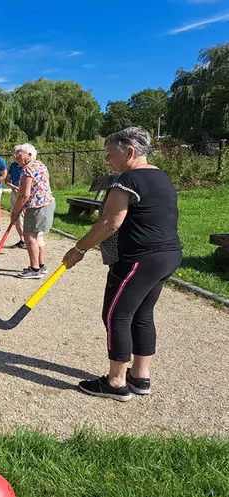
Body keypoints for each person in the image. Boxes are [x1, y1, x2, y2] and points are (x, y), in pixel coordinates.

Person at [63, 127, 182, 402]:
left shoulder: (127, 179)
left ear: (129, 152)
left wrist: (79, 248)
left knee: (116, 315)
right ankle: (140, 377)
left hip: (138, 259)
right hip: (167, 255)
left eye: (110, 153)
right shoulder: (161, 176)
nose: (107, 160)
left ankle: (115, 382)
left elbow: (110, 222)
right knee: (142, 314)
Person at [10, 143, 55, 278]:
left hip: (37, 206)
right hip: (46, 204)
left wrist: (15, 212)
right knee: (37, 236)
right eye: (16, 157)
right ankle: (41, 265)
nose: (17, 160)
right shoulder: (41, 165)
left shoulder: (27, 169)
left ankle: (34, 269)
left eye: (19, 157)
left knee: (30, 237)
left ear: (29, 155)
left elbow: (24, 194)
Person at [5, 150, 26, 249]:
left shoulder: (28, 166)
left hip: (26, 194)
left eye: (16, 154)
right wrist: (13, 186)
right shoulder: (13, 166)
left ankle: (28, 240)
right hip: (16, 193)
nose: (14, 156)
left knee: (24, 216)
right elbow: (7, 180)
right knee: (16, 217)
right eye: (13, 154)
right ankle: (22, 240)